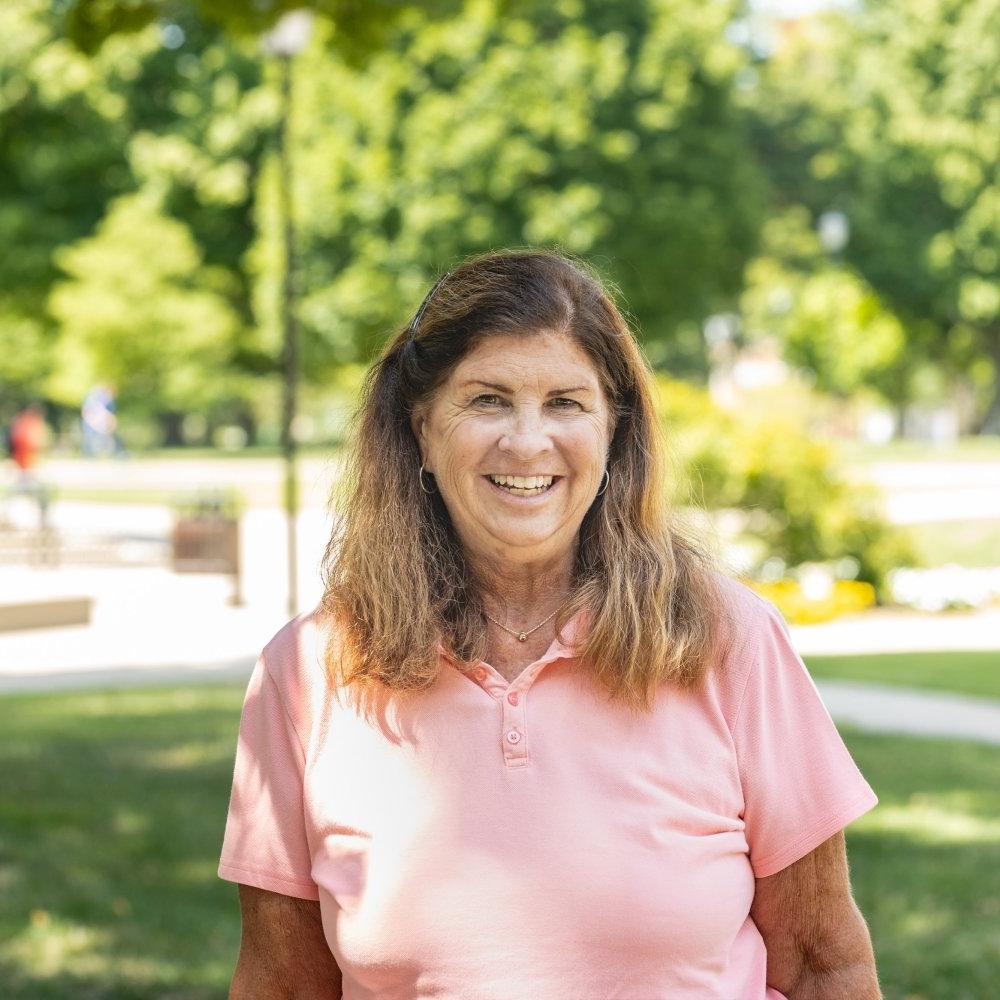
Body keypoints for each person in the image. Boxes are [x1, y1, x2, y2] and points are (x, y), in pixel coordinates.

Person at [218, 250, 881, 999]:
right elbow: (283, 983)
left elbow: (825, 962)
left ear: (613, 430)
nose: (528, 442)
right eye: (488, 400)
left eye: (566, 402)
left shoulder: (727, 639)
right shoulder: (308, 673)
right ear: (422, 428)